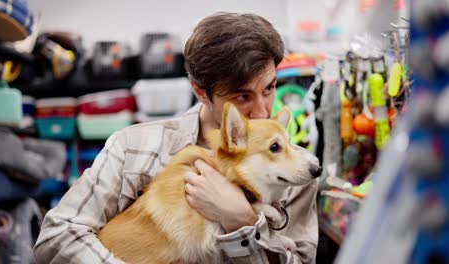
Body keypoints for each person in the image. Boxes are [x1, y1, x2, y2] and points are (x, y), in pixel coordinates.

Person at [34, 12, 319, 264]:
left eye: (269, 89)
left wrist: (241, 221)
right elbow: (56, 236)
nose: (261, 112)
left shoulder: (296, 173)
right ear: (199, 91)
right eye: (242, 96)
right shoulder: (133, 148)